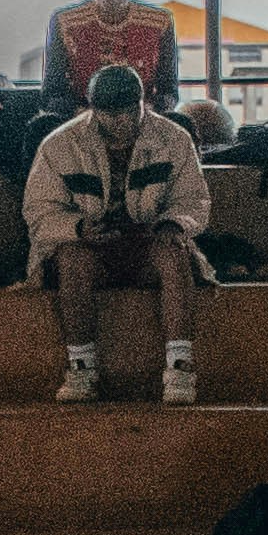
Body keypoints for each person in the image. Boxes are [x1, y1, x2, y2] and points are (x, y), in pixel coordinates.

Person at [23, 61, 207, 405]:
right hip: (89, 250)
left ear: (143, 103)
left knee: (174, 253)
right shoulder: (59, 146)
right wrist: (78, 229)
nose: (118, 121)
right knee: (73, 259)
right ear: (92, 109)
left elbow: (193, 199)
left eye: (126, 112)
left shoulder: (174, 139)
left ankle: (180, 368)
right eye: (107, 113)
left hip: (149, 245)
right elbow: (39, 211)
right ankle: (81, 368)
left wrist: (172, 224)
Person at [3, 0, 203, 185]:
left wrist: (143, 114)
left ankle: (181, 208)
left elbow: (168, 90)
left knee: (181, 124)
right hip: (83, 116)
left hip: (142, 117)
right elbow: (53, 92)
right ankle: (36, 213)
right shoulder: (66, 21)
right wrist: (90, 115)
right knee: (41, 127)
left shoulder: (159, 21)